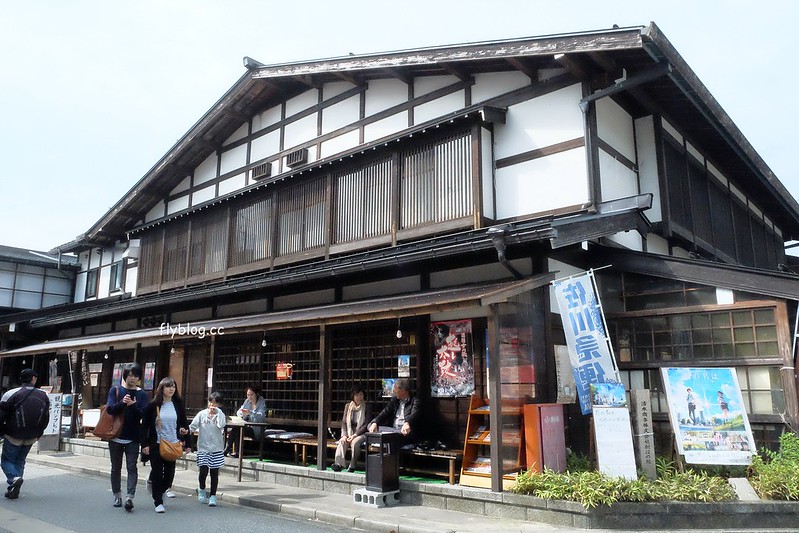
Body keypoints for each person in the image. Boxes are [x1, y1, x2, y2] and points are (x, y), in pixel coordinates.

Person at [141, 377, 189, 513]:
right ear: (161, 389)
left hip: (172, 444)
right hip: (156, 444)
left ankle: (157, 487)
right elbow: (144, 426)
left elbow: (183, 423)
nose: (171, 389)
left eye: (173, 386)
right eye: (168, 386)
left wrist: (185, 436)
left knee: (169, 475)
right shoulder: (153, 405)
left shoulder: (177, 404)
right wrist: (144, 444)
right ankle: (158, 502)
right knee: (157, 473)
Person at [0, 369, 50, 500]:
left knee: (7, 460)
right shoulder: (43, 395)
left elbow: (1, 415)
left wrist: (1, 431)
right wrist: (39, 433)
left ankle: (13, 479)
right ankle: (14, 488)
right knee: (20, 461)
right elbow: (46, 417)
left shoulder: (11, 394)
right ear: (33, 379)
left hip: (12, 434)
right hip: (32, 435)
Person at [106, 362, 149, 511]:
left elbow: (144, 415)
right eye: (130, 375)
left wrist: (133, 406)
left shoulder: (142, 395)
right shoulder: (115, 390)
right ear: (125, 376)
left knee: (132, 467)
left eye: (135, 376)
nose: (132, 378)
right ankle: (117, 495)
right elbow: (110, 409)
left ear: (139, 378)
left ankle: (130, 497)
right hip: (115, 436)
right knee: (115, 468)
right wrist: (122, 403)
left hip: (133, 437)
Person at [189, 391, 226, 507]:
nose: (212, 405)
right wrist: (185, 432)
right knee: (203, 471)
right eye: (210, 402)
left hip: (216, 448)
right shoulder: (202, 414)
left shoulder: (221, 414)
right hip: (203, 447)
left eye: (215, 403)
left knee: (214, 472)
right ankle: (202, 489)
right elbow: (193, 426)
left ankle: (213, 496)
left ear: (219, 405)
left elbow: (221, 425)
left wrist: (218, 413)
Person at [367, 378, 422, 444]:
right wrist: (375, 422)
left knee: (396, 437)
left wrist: (407, 423)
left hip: (404, 430)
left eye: (396, 389)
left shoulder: (414, 401)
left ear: (403, 391)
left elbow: (414, 415)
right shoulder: (395, 400)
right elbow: (385, 412)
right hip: (393, 429)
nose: (394, 391)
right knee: (370, 426)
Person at [332, 387, 370, 473]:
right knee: (342, 441)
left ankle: (352, 466)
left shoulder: (367, 407)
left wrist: (354, 435)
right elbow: (344, 422)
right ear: (353, 396)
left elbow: (366, 424)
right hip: (349, 432)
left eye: (361, 395)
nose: (359, 397)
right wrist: (344, 435)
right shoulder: (348, 406)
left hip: (361, 433)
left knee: (355, 442)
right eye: (357, 395)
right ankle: (338, 464)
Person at [224, 386, 267, 457]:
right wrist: (242, 413)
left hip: (256, 428)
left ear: (257, 394)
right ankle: (232, 450)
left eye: (252, 395)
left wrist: (250, 413)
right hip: (245, 425)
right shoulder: (247, 402)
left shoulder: (261, 402)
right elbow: (239, 412)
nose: (249, 397)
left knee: (238, 429)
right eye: (248, 395)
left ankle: (230, 450)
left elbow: (261, 417)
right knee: (237, 429)